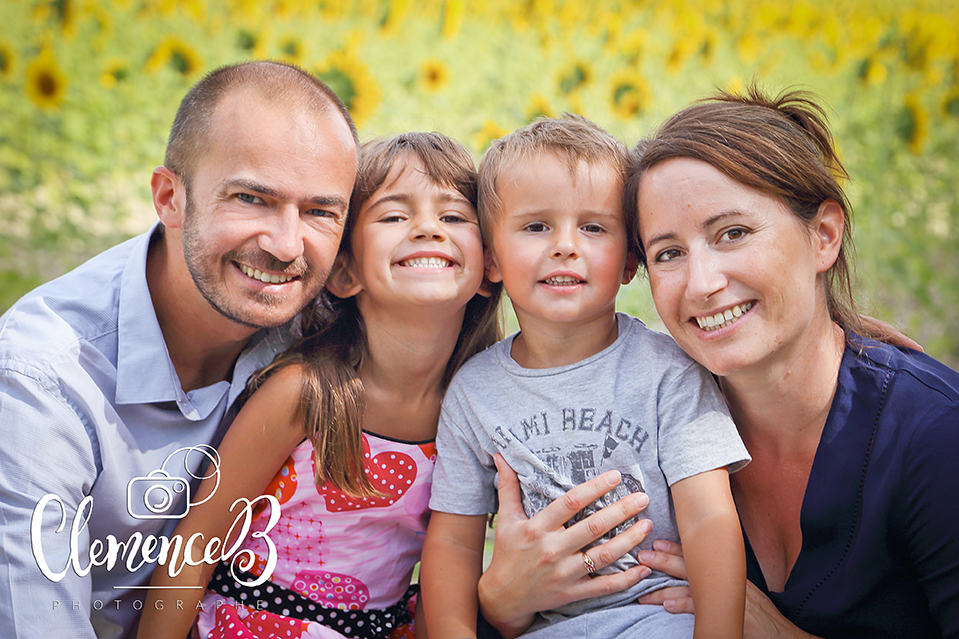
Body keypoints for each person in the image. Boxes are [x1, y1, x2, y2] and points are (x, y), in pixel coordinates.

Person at [483, 87, 959, 639]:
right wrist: (501, 603)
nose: (703, 284)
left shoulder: (933, 437)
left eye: (732, 234)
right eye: (669, 253)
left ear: (823, 236)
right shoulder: (649, 405)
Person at [0, 61, 358, 639]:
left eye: (320, 211)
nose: (287, 244)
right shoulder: (41, 382)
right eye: (251, 198)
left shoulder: (324, 336)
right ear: (170, 198)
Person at [136, 132, 502, 639]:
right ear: (345, 271)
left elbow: (455, 566)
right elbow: (193, 549)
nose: (427, 229)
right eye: (395, 216)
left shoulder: (476, 411)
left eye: (455, 217)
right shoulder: (304, 392)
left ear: (489, 267)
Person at [421, 115, 751, 639]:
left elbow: (709, 518)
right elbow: (453, 544)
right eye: (535, 226)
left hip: (658, 618)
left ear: (629, 262)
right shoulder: (474, 391)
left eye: (594, 227)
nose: (566, 246)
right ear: (491, 259)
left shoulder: (668, 371)